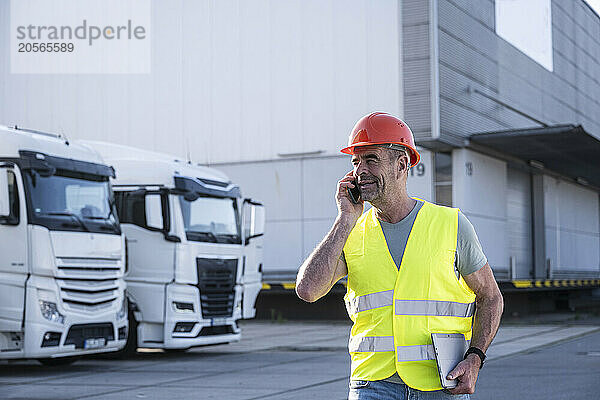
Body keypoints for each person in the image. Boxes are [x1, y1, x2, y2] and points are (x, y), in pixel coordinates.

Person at [295, 112, 503, 399]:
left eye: (371, 160)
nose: (360, 171)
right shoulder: (350, 231)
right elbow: (307, 290)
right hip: (372, 385)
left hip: (441, 384)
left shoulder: (451, 225)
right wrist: (344, 219)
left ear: (401, 164)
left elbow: (491, 296)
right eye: (355, 162)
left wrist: (476, 358)